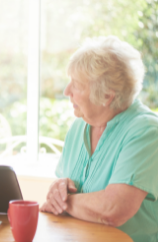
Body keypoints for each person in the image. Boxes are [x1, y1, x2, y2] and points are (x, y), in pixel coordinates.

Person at [40, 36, 158, 242]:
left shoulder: (146, 131)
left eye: (77, 85)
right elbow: (72, 186)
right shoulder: (79, 126)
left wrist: (65, 202)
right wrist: (59, 188)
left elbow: (114, 209)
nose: (67, 91)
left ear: (106, 96)